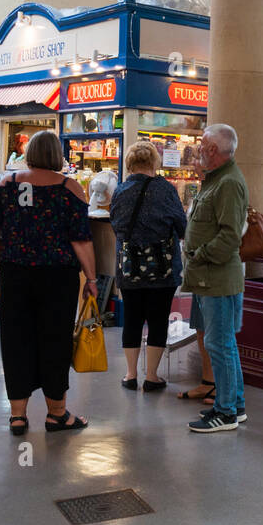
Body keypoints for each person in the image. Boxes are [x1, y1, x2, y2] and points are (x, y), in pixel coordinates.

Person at [0, 130, 97, 436]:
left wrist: (1, 261)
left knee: (16, 339)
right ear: (57, 155)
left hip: (16, 273)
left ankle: (18, 416)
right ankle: (56, 414)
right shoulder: (70, 189)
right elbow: (81, 240)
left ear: (30, 153)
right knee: (54, 340)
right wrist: (93, 278)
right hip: (58, 278)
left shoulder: (8, 184)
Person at [182, 124, 248, 433]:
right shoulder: (216, 180)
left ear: (213, 151)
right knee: (224, 344)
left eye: (202, 146)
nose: (197, 150)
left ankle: (225, 412)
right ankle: (235, 404)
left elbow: (230, 236)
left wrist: (199, 255)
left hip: (217, 279)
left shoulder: (229, 183)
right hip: (211, 278)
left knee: (218, 344)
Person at [110, 140, 187, 392]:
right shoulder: (166, 190)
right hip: (162, 267)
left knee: (132, 318)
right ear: (154, 163)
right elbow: (182, 226)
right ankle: (151, 376)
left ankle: (130, 374)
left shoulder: (121, 190)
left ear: (130, 163)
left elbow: (116, 225)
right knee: (157, 320)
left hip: (129, 266)